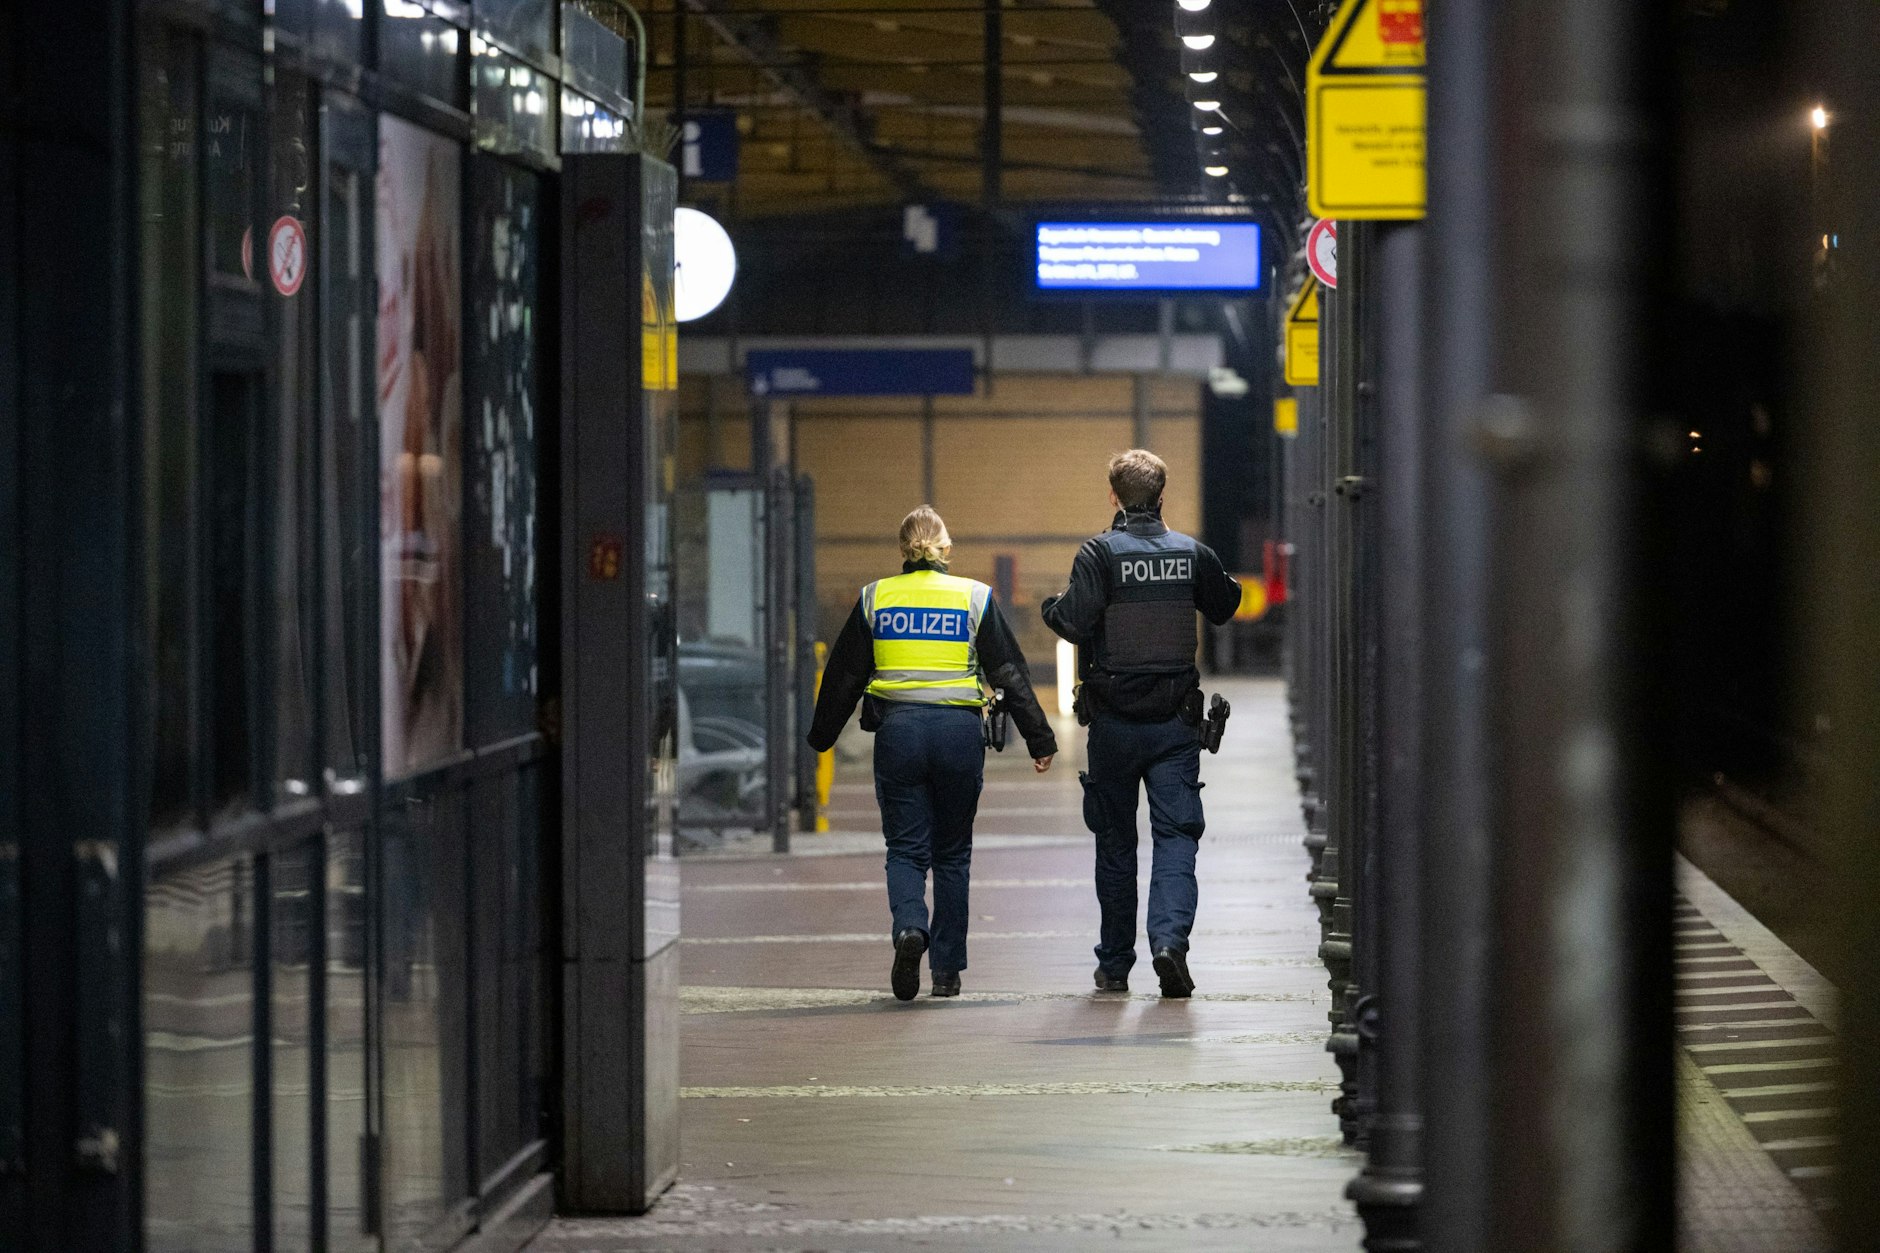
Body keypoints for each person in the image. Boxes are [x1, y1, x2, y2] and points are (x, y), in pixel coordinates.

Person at [808, 505, 1058, 1001]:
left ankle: (909, 931)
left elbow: (844, 676)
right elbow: (1008, 672)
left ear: (902, 551)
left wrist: (821, 738)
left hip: (898, 733)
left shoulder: (875, 597)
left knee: (905, 849)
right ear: (946, 549)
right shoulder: (974, 597)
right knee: (952, 854)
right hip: (958, 734)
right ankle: (946, 972)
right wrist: (1040, 738)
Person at [1042, 450, 1241, 998]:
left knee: (1114, 842)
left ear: (1113, 495)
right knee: (1177, 836)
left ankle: (1114, 966)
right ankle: (1168, 943)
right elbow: (1225, 606)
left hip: (1113, 726)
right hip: (1176, 727)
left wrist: (1049, 607)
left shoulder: (1099, 554)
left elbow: (1073, 622)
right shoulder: (1191, 553)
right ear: (1162, 495)